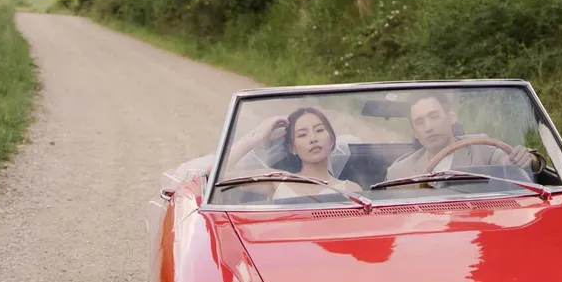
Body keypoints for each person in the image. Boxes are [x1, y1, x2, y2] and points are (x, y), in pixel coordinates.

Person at [385, 92, 540, 182]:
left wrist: (527, 159)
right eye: (419, 122)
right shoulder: (399, 171)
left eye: (434, 116)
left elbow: (511, 162)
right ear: (414, 133)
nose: (428, 127)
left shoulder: (482, 147)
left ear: (451, 117)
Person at [227, 106, 361, 195]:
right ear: (292, 148)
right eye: (302, 134)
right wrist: (257, 137)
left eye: (319, 130)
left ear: (331, 139)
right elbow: (221, 174)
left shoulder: (351, 190)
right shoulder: (278, 180)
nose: (313, 139)